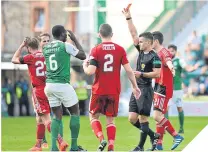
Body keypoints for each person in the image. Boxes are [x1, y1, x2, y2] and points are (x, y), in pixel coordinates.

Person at [83, 23, 140, 151]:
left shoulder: (96, 50)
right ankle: (111, 146)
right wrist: (135, 86)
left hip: (99, 90)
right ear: (112, 35)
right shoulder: (120, 49)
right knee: (110, 120)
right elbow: (129, 70)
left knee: (93, 116)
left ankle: (101, 139)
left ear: (99, 34)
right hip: (113, 90)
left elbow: (90, 71)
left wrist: (84, 66)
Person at [11, 37, 68, 151]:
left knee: (46, 118)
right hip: (50, 88)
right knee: (39, 118)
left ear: (28, 48)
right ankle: (38, 145)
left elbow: (14, 59)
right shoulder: (46, 55)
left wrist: (21, 45)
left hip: (39, 91)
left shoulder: (30, 57)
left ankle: (60, 141)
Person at [122, 9, 162, 151]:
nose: (139, 42)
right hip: (137, 88)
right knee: (132, 118)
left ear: (149, 42)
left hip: (145, 89)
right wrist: (128, 18)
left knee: (143, 119)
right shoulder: (140, 50)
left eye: (142, 41)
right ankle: (153, 135)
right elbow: (133, 33)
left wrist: (141, 74)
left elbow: (157, 74)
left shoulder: (155, 56)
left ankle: (140, 147)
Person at [43, 25, 86, 151]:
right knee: (75, 112)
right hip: (62, 84)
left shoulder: (46, 48)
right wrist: (75, 39)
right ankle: (73, 147)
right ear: (62, 34)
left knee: (56, 116)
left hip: (49, 85)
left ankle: (53, 148)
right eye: (65, 35)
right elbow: (83, 55)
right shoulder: (65, 45)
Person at [151, 31, 184, 150]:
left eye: (150, 41)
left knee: (156, 116)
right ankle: (159, 144)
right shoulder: (157, 53)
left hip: (163, 88)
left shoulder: (164, 52)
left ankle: (176, 136)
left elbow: (169, 60)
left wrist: (171, 67)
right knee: (159, 116)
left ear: (155, 41)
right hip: (159, 87)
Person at [166, 44, 198, 134]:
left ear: (175, 51)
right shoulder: (165, 61)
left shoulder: (179, 61)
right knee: (166, 108)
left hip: (177, 88)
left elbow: (186, 68)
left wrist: (192, 68)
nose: (170, 53)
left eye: (172, 51)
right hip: (167, 88)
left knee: (179, 107)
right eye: (169, 51)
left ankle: (181, 128)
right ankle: (167, 127)